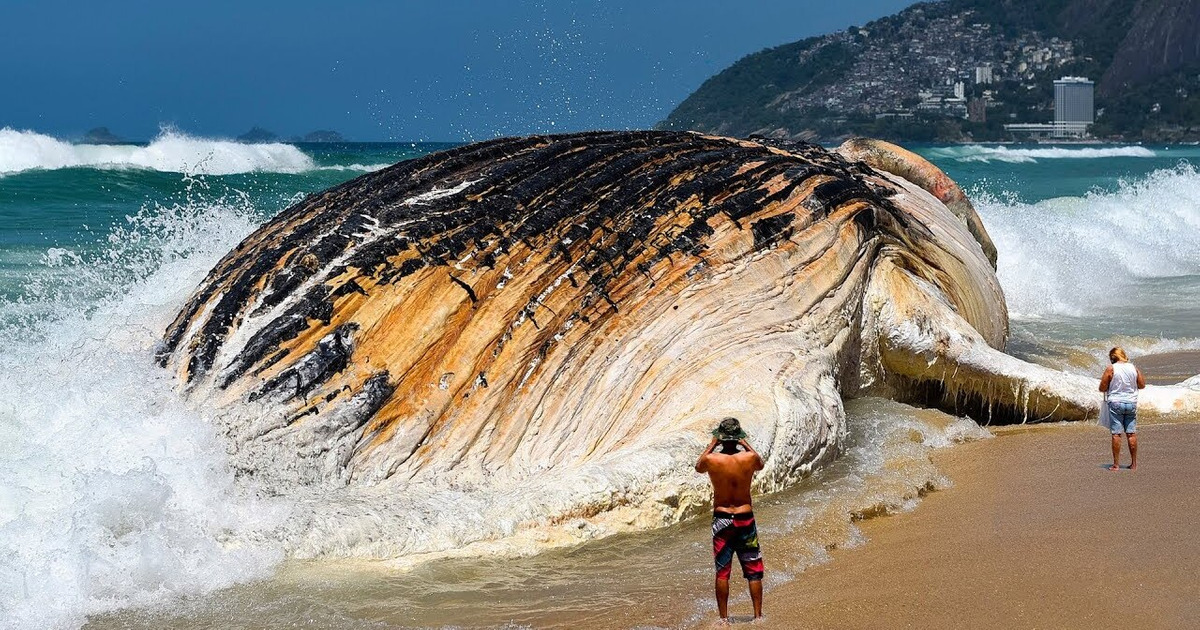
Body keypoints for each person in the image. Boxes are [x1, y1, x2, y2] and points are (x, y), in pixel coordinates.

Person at [695, 417, 765, 622]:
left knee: (723, 572)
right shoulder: (749, 458)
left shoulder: (712, 460)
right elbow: (760, 463)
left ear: (721, 438)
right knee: (753, 570)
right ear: (738, 438)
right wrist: (744, 443)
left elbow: (698, 467)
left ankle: (724, 620)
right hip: (745, 518)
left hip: (722, 519)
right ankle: (758, 617)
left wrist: (712, 443)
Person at [1099, 346, 1145, 471]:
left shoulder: (1111, 369)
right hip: (1131, 403)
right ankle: (1134, 464)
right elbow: (1142, 385)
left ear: (1112, 357)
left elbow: (1102, 388)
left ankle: (1116, 464)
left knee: (1116, 434)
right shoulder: (1133, 368)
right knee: (1131, 433)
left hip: (1116, 403)